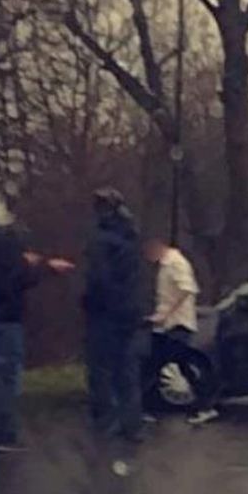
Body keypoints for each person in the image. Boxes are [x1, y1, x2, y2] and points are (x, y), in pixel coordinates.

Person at [0, 196, 74, 450]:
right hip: (5, 316)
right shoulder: (6, 244)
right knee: (6, 375)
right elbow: (18, 277)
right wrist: (47, 268)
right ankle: (3, 432)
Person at [82, 188, 145, 442]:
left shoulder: (100, 239)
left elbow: (99, 279)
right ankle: (131, 423)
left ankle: (104, 422)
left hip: (104, 313)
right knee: (126, 369)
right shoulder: (130, 235)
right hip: (128, 311)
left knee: (100, 369)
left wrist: (89, 301)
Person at [145, 236, 216, 424]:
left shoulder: (176, 263)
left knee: (156, 364)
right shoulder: (167, 264)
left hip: (177, 325)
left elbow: (187, 289)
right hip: (168, 325)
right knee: (177, 365)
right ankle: (204, 406)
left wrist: (166, 314)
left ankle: (204, 405)